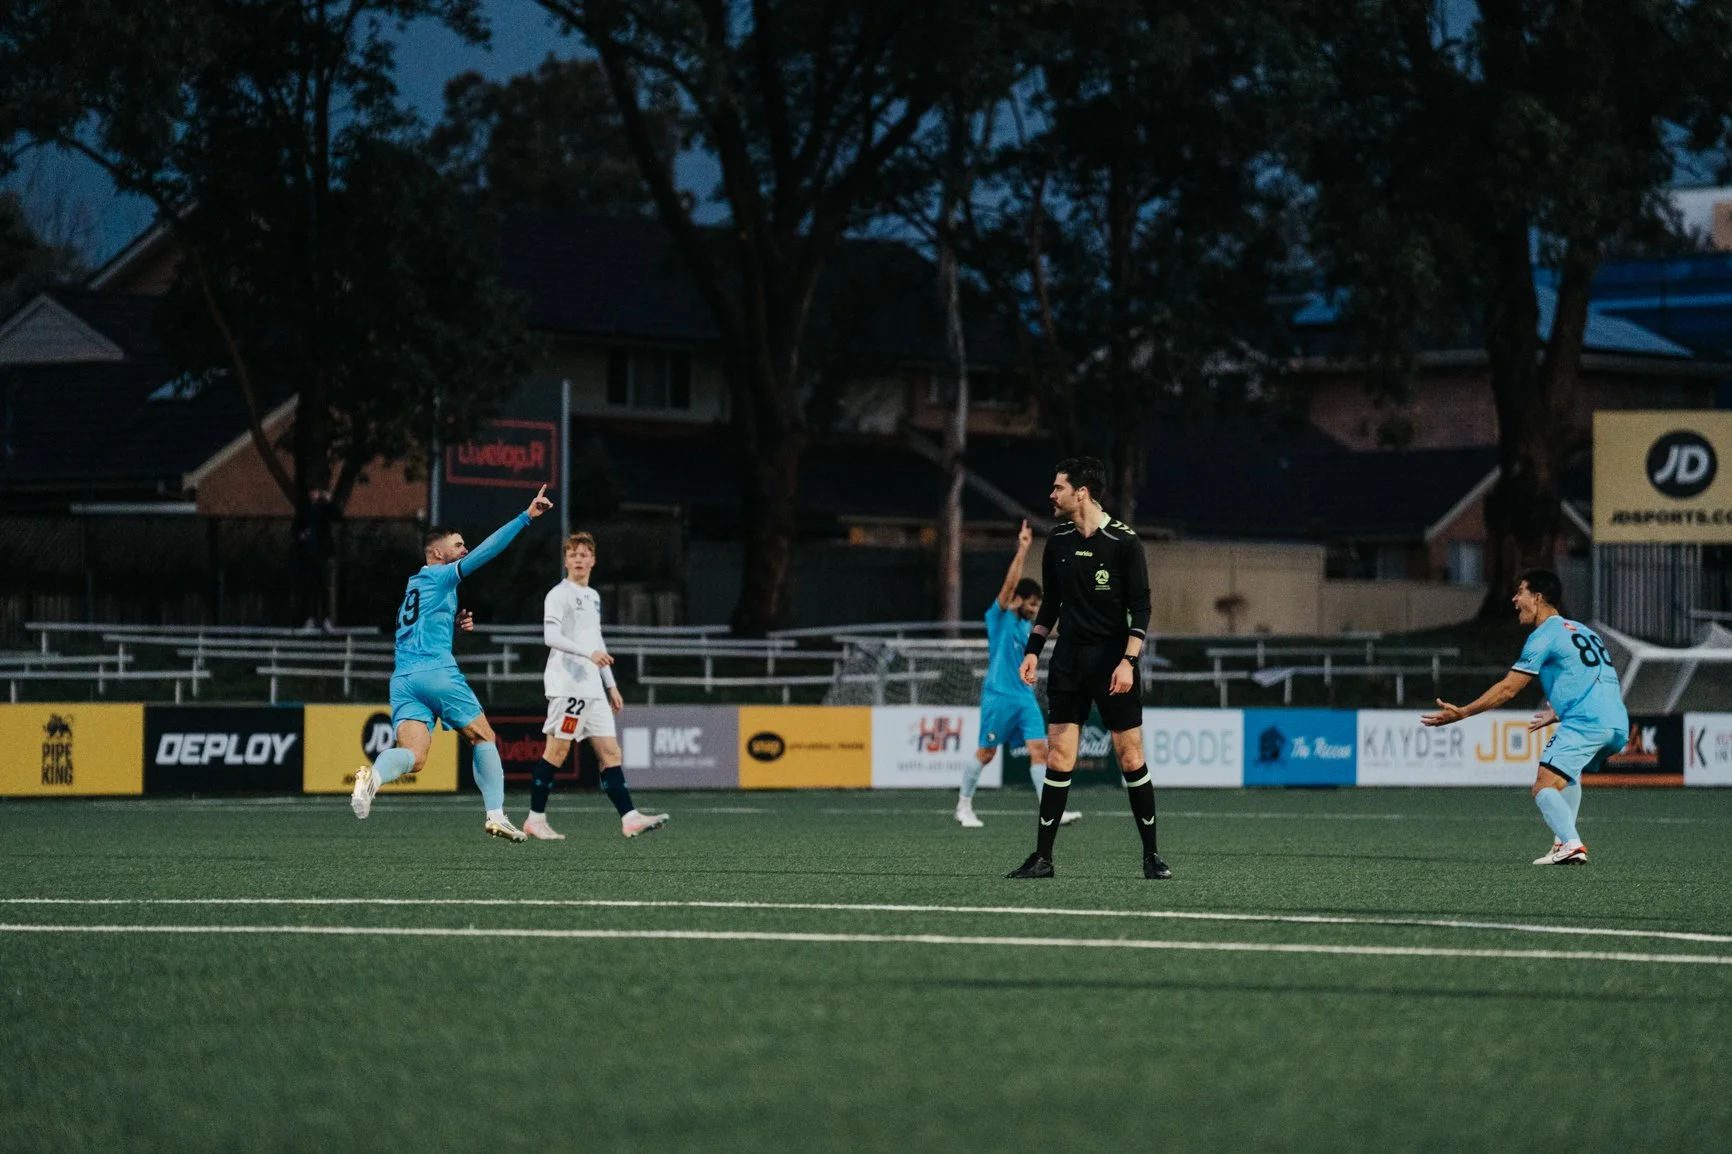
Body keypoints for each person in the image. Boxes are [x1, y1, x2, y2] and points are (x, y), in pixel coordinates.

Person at [349, 485, 553, 840]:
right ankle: (496, 814)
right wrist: (525, 517)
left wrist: (453, 625)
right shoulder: (442, 575)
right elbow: (488, 552)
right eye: (458, 546)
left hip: (404, 680)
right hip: (436, 673)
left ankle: (373, 777)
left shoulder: (414, 586)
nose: (465, 550)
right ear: (437, 552)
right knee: (483, 736)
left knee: (414, 755)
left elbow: (420, 628)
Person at [1007, 457, 1171, 880]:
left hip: (1113, 663)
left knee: (1129, 755)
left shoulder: (1124, 542)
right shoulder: (1058, 542)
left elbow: (1141, 608)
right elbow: (1050, 606)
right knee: (1059, 757)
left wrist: (1129, 661)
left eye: (1058, 487)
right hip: (1068, 663)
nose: (1051, 495)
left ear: (1081, 492)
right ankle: (1042, 858)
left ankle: (1151, 856)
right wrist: (1032, 650)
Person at [1422, 568, 1627, 865]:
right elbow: (1595, 676)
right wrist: (1559, 712)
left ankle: (1571, 844)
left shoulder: (1544, 634)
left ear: (1538, 598)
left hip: (1585, 722)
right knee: (1565, 775)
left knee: (1543, 786)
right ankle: (1563, 843)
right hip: (1616, 723)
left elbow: (1508, 689)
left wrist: (1463, 712)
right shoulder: (1584, 631)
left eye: (1521, 592)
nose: (1515, 599)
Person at [528, 531, 668, 840]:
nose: (578, 559)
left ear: (593, 560)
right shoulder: (558, 594)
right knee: (558, 751)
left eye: (584, 554)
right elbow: (551, 638)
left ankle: (629, 818)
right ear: (566, 560)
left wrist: (611, 685)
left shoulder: (592, 596)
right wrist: (587, 654)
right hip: (568, 686)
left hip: (593, 688)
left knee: (610, 752)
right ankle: (535, 819)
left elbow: (596, 640)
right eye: (573, 554)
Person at [955, 519, 1080, 829]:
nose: (1036, 609)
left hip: (1024, 698)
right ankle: (963, 806)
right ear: (1020, 601)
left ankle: (1050, 809)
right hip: (999, 697)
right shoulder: (999, 618)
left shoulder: (1028, 628)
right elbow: (1008, 588)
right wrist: (1022, 550)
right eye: (1033, 603)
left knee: (1041, 750)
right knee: (985, 753)